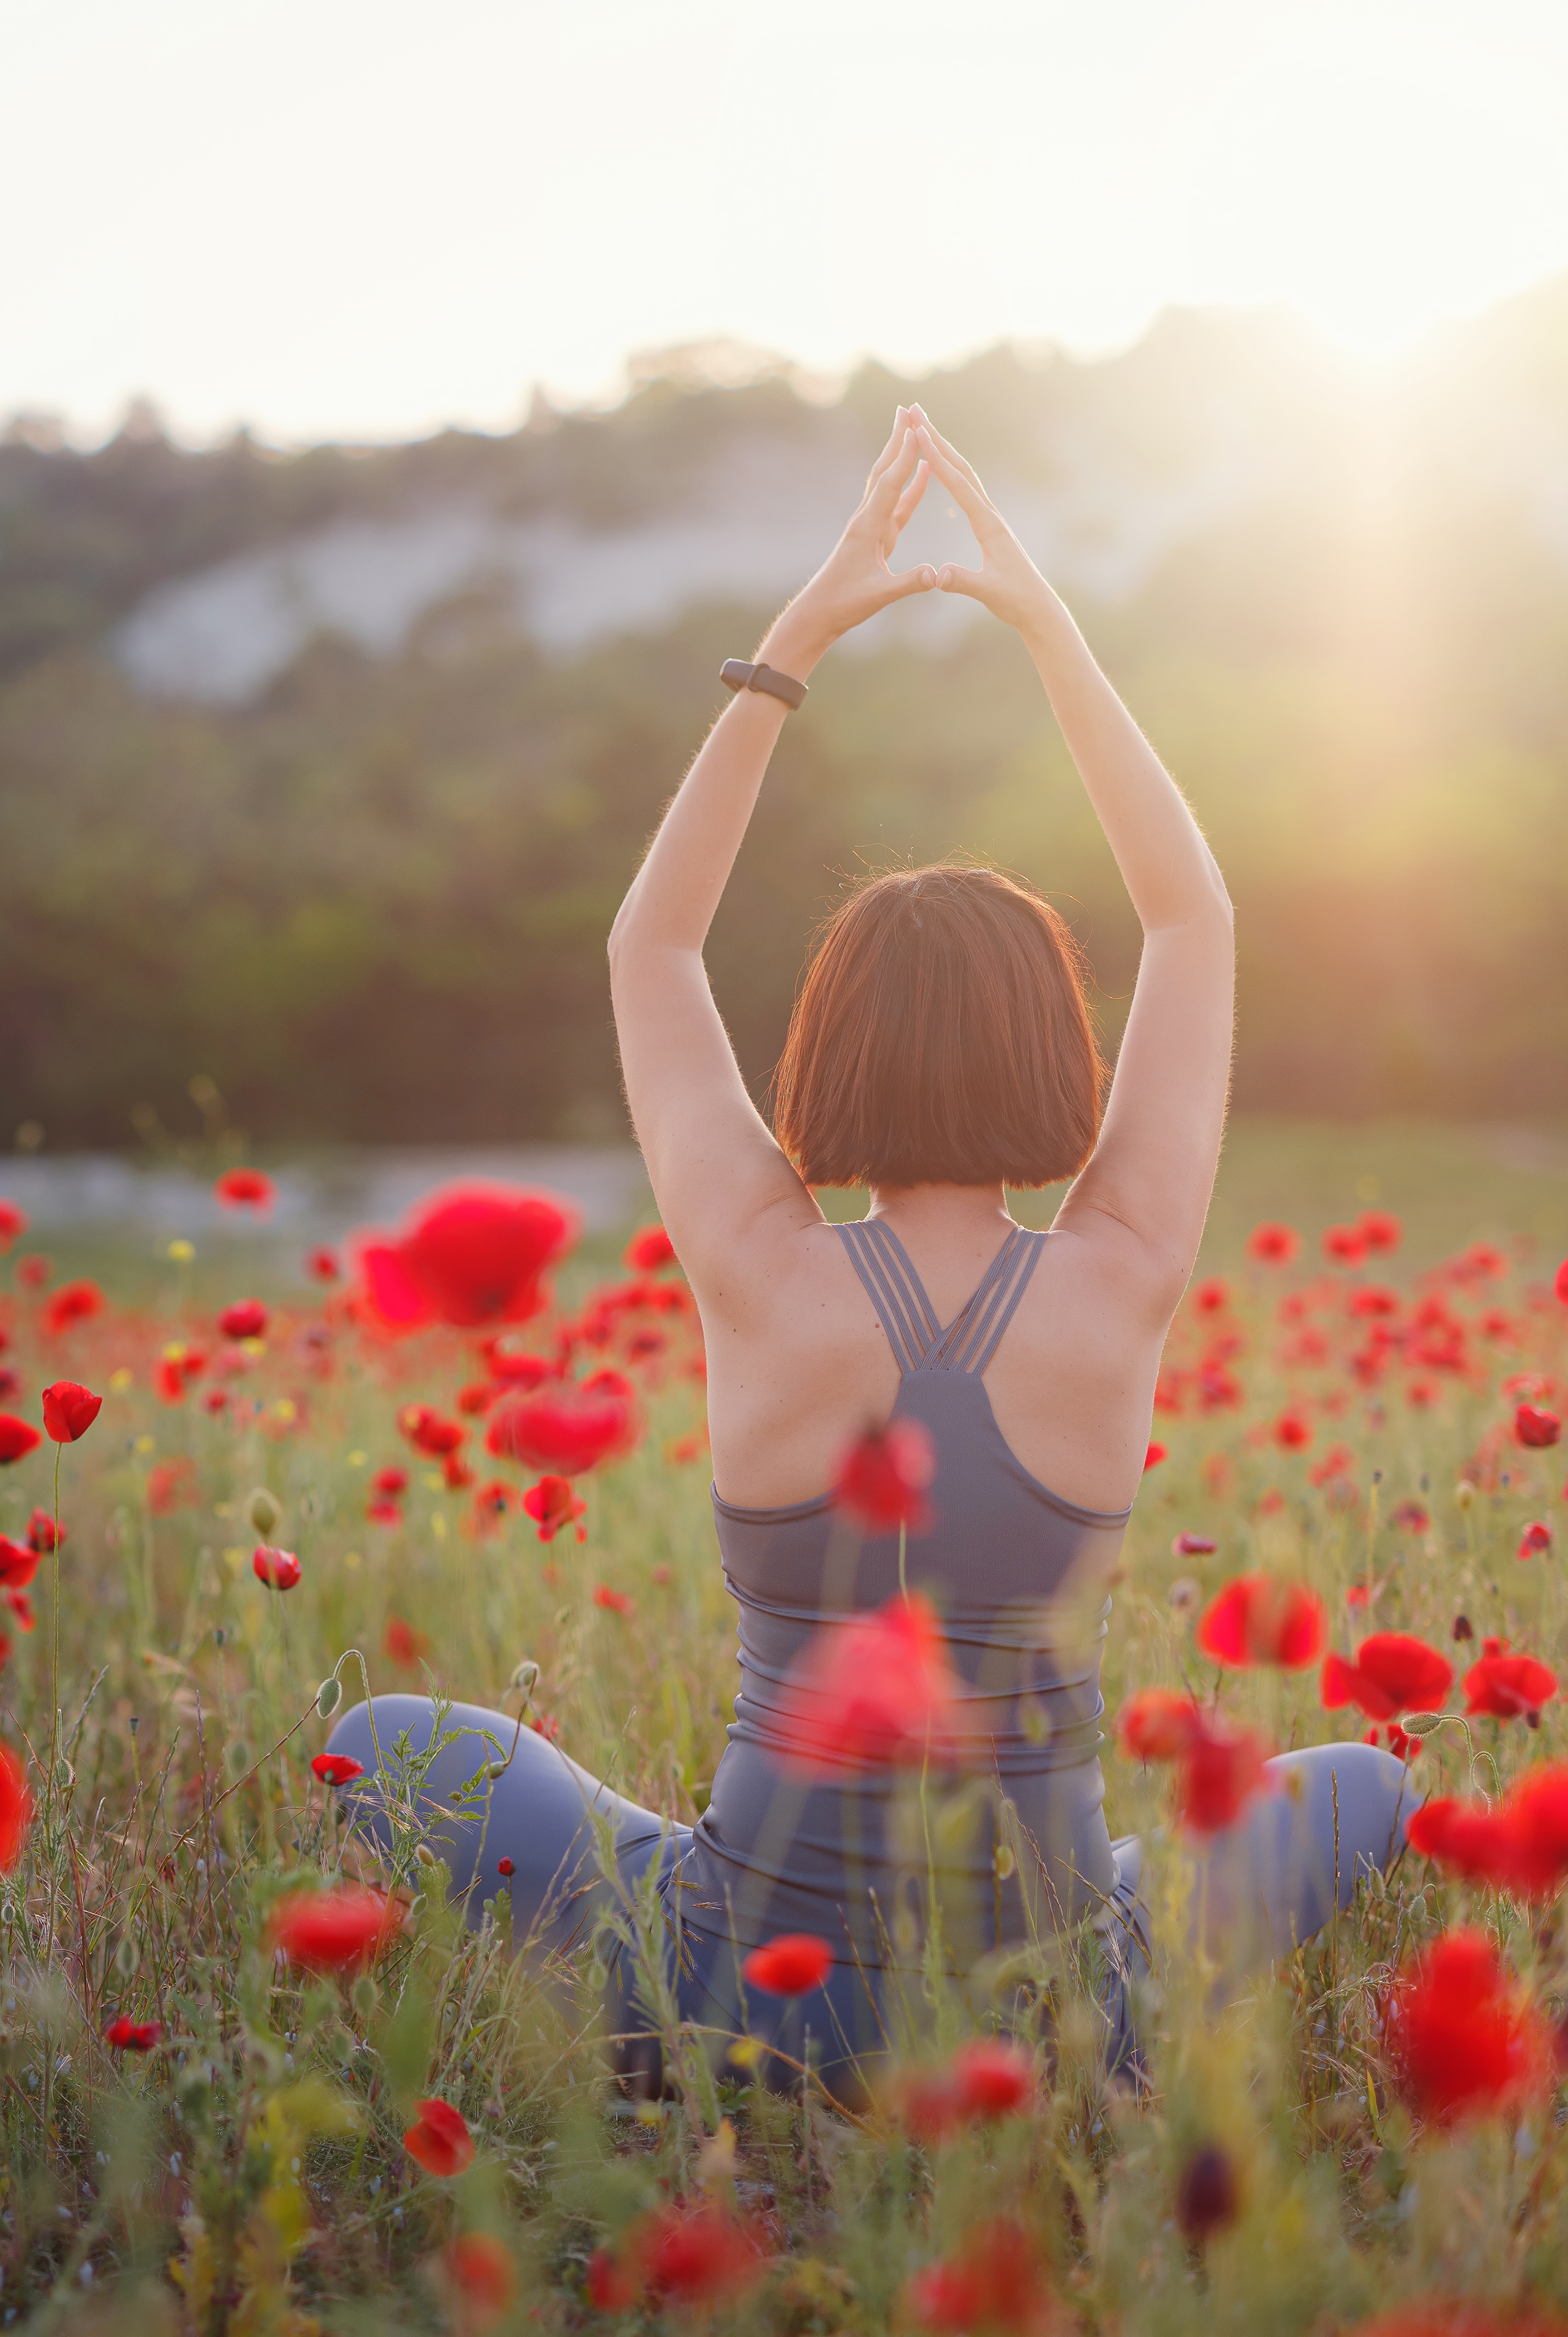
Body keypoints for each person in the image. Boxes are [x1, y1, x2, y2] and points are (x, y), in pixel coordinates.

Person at [322, 407, 1412, 2088]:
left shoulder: (757, 1265)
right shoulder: (1117, 1269)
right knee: (1361, 1782)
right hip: (1057, 2014)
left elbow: (651, 942)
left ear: (822, 1052)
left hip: (733, 1989)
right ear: (1061, 1052)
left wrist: (793, 642)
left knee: (384, 1743)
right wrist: (1047, 628)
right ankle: (1101, 1929)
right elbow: (1196, 916)